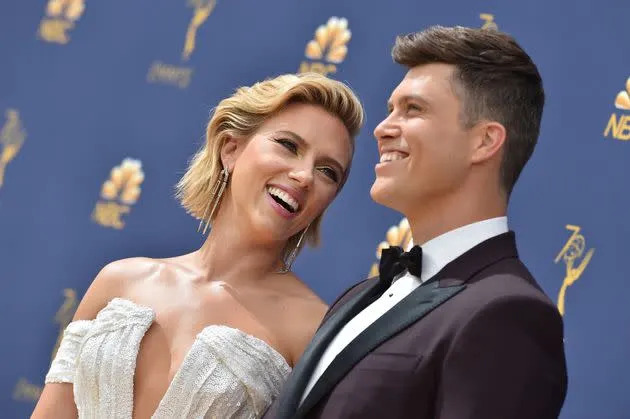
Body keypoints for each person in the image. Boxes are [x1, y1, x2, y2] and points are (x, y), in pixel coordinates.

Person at [265, 26, 568, 419]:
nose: (382, 128)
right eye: (391, 109)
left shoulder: (508, 313)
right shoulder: (361, 296)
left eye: (413, 110)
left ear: (485, 142)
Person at [31, 72, 364, 418]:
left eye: (328, 171)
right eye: (289, 146)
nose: (305, 175)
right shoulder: (119, 280)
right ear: (231, 149)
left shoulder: (313, 329)